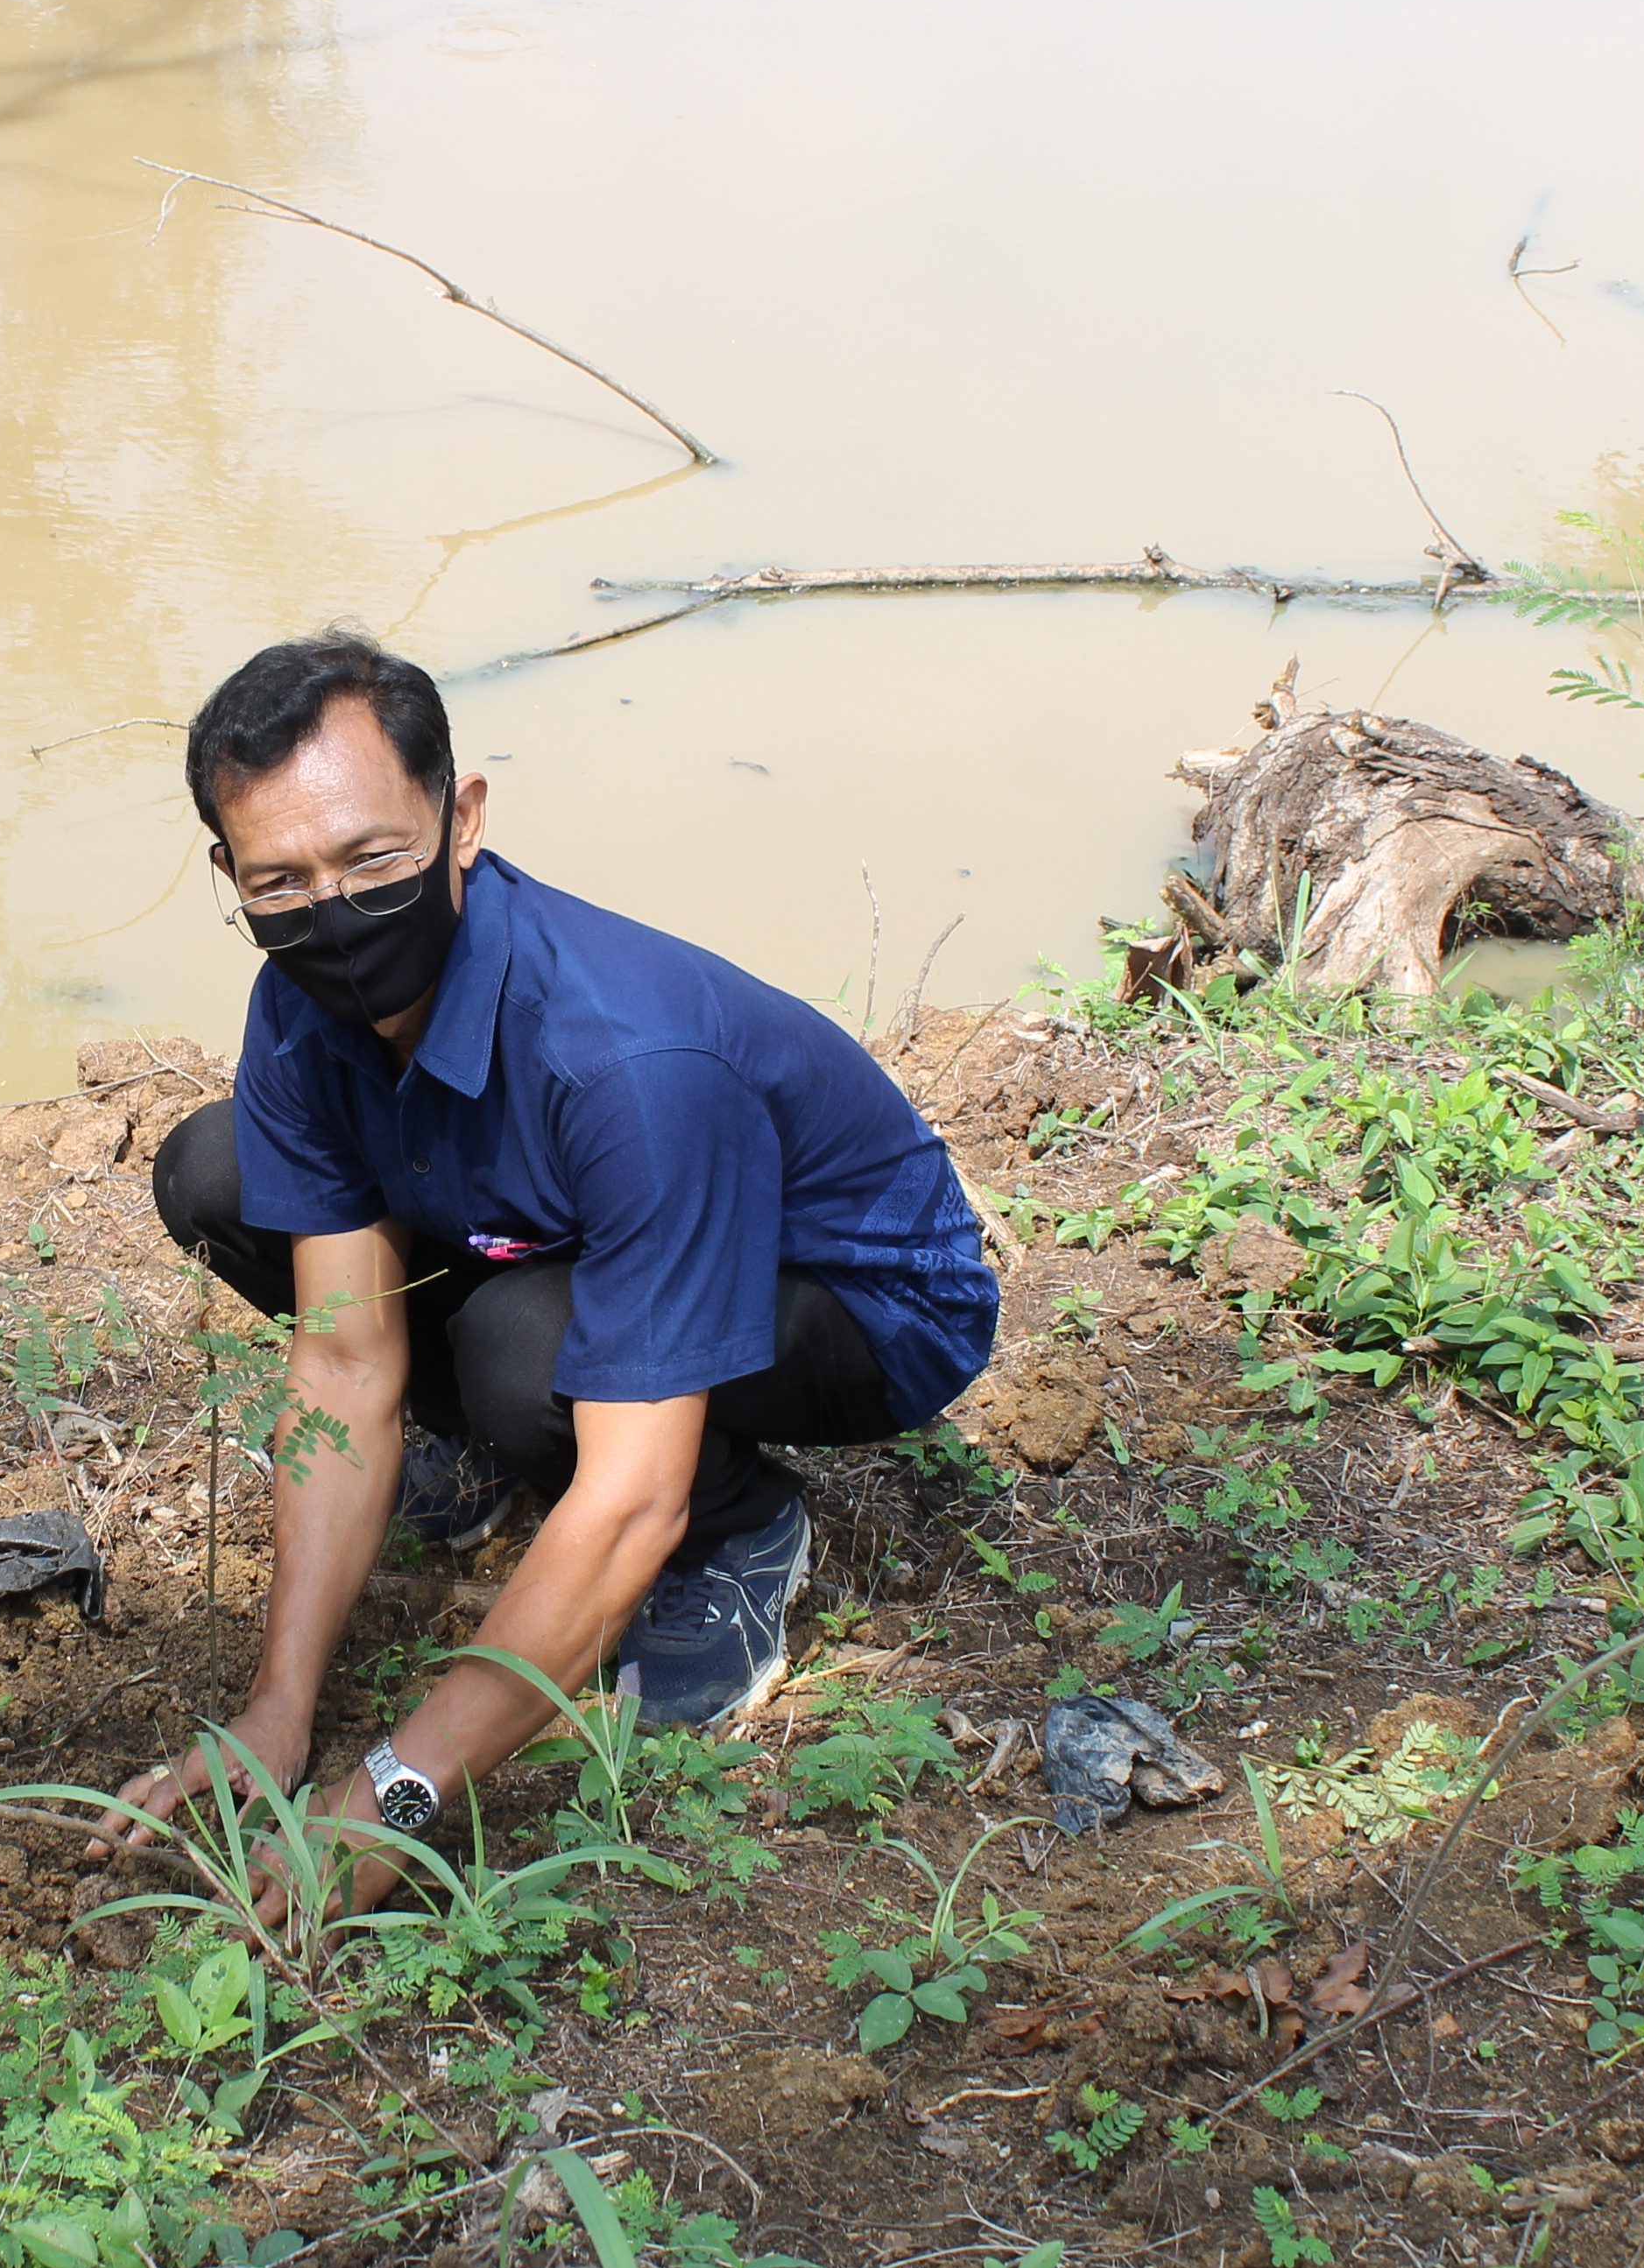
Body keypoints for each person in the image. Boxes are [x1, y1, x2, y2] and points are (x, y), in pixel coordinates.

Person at [101, 632, 998, 1906]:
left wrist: (392, 1794)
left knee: (524, 1352)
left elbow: (629, 1498)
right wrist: (278, 1713)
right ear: (229, 875)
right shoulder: (303, 1008)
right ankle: (492, 1444)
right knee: (219, 1174)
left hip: (862, 1302)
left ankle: (746, 1531)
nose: (333, 913)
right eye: (281, 881)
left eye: (373, 858)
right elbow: (347, 1362)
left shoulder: (627, 1066)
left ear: (460, 819)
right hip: (587, 1226)